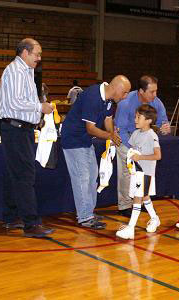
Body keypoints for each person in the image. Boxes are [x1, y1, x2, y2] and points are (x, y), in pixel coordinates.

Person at [0, 38, 55, 238]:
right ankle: (31, 224)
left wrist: (38, 110)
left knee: (15, 174)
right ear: (24, 52)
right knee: (25, 175)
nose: (39, 58)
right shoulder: (14, 71)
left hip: (23, 129)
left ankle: (11, 216)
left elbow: (24, 101)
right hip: (16, 129)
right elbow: (14, 102)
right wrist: (40, 107)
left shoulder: (27, 71)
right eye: (36, 54)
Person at [61, 75, 131, 229]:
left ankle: (88, 212)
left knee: (93, 175)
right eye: (125, 93)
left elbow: (107, 120)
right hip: (73, 139)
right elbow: (91, 128)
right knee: (82, 178)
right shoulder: (93, 96)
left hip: (85, 140)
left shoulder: (108, 100)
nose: (125, 96)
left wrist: (113, 134)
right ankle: (84, 217)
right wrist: (110, 135)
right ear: (117, 88)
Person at [114, 75, 170, 217]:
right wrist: (133, 148)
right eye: (152, 92)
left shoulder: (157, 102)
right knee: (127, 172)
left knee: (144, 172)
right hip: (126, 140)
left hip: (143, 140)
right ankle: (125, 204)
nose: (155, 95)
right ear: (141, 91)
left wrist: (165, 128)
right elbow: (120, 129)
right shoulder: (125, 103)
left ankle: (140, 202)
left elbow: (163, 122)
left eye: (156, 91)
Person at [116, 104, 161, 239]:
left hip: (145, 173)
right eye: (135, 117)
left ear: (148, 120)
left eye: (138, 117)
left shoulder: (152, 135)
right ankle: (154, 218)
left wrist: (140, 157)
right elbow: (132, 150)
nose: (135, 119)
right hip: (136, 172)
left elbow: (158, 156)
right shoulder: (135, 133)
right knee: (144, 196)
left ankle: (131, 228)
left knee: (137, 198)